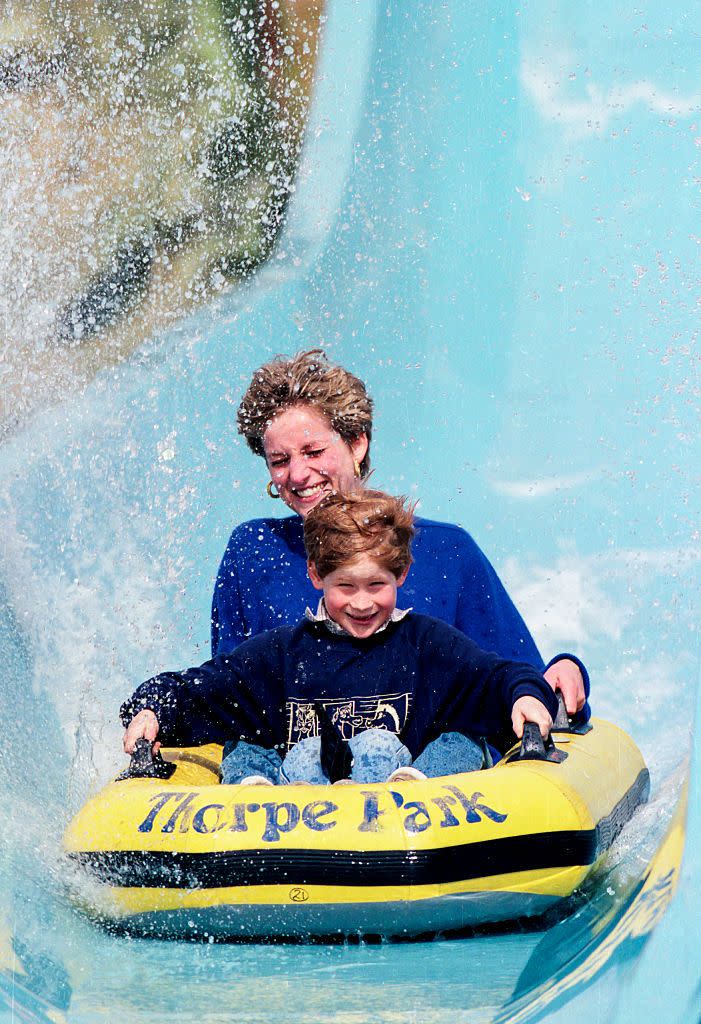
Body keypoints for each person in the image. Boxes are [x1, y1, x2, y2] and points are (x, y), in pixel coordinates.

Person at [211, 349, 589, 719]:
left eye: (313, 451)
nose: (296, 475)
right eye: (280, 461)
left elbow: (517, 679)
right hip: (292, 775)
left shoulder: (446, 551)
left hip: (426, 776)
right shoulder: (253, 551)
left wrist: (564, 671)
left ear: (357, 443)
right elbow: (227, 692)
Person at [122, 490, 579, 786]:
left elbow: (493, 675)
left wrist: (524, 695)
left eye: (377, 585)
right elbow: (207, 687)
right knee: (248, 745)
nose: (362, 603)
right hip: (304, 807)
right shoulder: (284, 653)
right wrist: (151, 707)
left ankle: (411, 786)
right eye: (346, 587)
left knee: (463, 742)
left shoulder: (426, 645)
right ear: (316, 576)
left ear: (401, 574)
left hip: (411, 812)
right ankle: (256, 797)